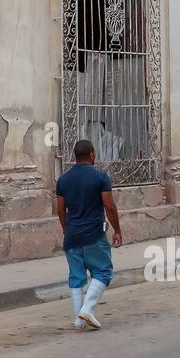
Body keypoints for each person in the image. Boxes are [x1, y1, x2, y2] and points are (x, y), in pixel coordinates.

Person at [54, 139, 123, 330]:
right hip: (94, 234)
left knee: (76, 276)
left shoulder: (63, 180)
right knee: (103, 271)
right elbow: (109, 206)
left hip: (72, 235)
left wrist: (66, 229)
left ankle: (79, 321)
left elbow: (60, 209)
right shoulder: (100, 177)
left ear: (74, 156)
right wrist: (117, 230)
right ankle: (87, 310)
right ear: (92, 155)